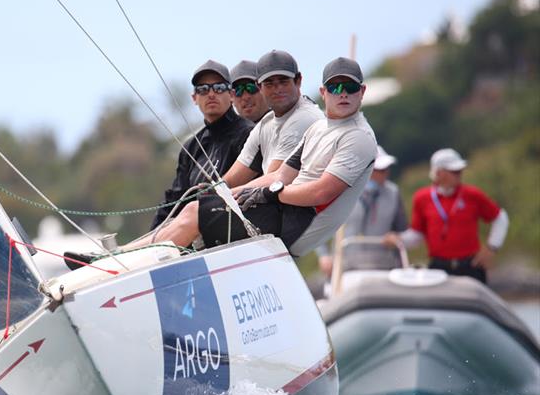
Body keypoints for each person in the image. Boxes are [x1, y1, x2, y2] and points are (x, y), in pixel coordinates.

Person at [66, 57, 376, 267]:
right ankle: (119, 258)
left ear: (362, 91)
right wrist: (229, 192)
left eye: (349, 87)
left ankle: (119, 262)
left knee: (197, 214)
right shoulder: (318, 126)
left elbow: (320, 192)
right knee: (195, 207)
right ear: (323, 92)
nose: (342, 94)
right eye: (335, 88)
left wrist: (271, 193)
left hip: (294, 224)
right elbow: (280, 174)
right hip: (281, 210)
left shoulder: (354, 135)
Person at [148, 60, 253, 230]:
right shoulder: (191, 147)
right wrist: (153, 234)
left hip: (236, 229)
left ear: (232, 95)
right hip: (193, 234)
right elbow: (175, 201)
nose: (211, 94)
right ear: (194, 98)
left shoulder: (249, 134)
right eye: (203, 89)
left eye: (219, 87)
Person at [384, 148, 508, 283]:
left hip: (470, 266)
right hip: (439, 267)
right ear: (438, 172)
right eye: (454, 171)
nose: (459, 174)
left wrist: (491, 248)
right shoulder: (422, 198)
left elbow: (500, 218)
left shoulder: (472, 195)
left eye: (459, 171)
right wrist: (398, 240)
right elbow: (417, 235)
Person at [222, 50, 323, 188]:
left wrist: (220, 198)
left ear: (298, 81)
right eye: (269, 83)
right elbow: (232, 179)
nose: (277, 89)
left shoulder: (305, 117)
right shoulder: (266, 123)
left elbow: (274, 181)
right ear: (260, 86)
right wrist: (211, 191)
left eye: (283, 81)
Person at [317, 145, 407, 274]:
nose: (386, 173)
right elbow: (318, 226)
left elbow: (403, 231)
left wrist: (397, 238)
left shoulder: (393, 193)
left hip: (383, 268)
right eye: (380, 169)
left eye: (387, 168)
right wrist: (324, 255)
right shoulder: (340, 190)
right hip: (345, 267)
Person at [229, 59, 269, 124]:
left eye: (251, 88)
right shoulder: (227, 132)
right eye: (238, 90)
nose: (246, 97)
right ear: (231, 97)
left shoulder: (284, 122)